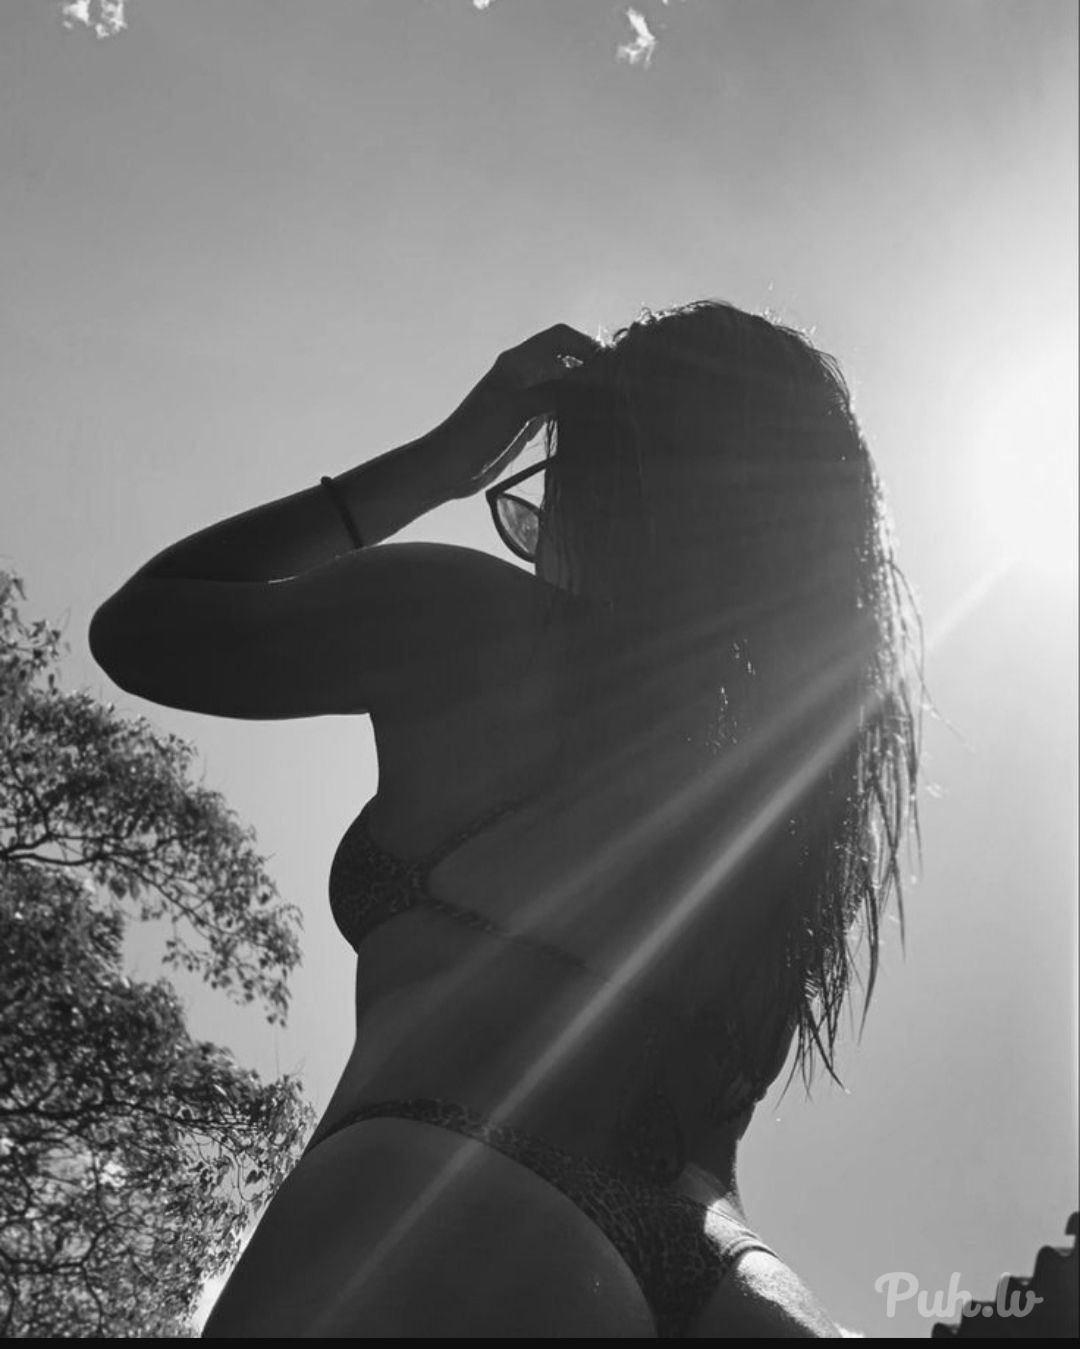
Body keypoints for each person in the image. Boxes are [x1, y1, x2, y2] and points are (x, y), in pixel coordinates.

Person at [89, 299, 920, 1338]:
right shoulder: (796, 807)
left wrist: (442, 461)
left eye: (546, 497)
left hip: (450, 1198)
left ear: (613, 491)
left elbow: (145, 625)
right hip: (736, 1283)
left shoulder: (472, 625)